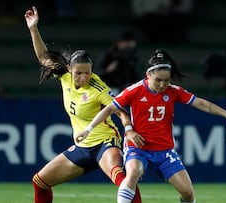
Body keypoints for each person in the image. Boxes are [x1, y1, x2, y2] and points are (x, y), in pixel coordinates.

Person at [75, 49, 226, 203]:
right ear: (148, 75)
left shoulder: (173, 91)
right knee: (133, 172)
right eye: (158, 80)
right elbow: (110, 108)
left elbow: (203, 104)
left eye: (166, 80)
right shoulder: (134, 91)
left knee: (187, 193)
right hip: (139, 146)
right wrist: (88, 129)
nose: (162, 85)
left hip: (164, 150)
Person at [24, 6, 141, 203]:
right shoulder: (64, 76)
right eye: (79, 73)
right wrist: (33, 28)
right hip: (82, 147)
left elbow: (118, 109)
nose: (84, 77)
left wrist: (128, 129)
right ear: (69, 69)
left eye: (88, 72)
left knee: (124, 181)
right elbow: (44, 57)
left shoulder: (98, 88)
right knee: (40, 181)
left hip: (105, 143)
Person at [97, 31, 139, 96]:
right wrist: (108, 70)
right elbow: (98, 73)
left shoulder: (131, 57)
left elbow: (134, 76)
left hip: (125, 88)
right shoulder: (109, 55)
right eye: (126, 42)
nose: (127, 45)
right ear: (119, 42)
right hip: (110, 87)